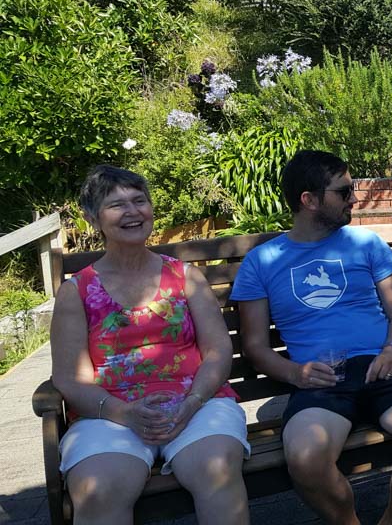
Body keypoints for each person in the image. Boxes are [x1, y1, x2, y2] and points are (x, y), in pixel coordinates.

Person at [230, 150, 392, 525]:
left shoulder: (366, 243)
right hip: (321, 380)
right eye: (344, 191)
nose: (354, 198)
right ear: (309, 200)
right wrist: (295, 374)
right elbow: (255, 347)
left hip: (381, 366)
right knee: (305, 459)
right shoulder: (261, 262)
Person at [50, 165, 250, 525]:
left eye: (139, 201)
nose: (132, 211)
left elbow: (218, 352)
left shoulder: (186, 277)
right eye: (117, 205)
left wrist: (192, 402)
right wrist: (124, 413)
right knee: (100, 488)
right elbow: (69, 378)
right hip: (108, 414)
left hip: (197, 404)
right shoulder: (76, 291)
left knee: (216, 467)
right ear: (93, 219)